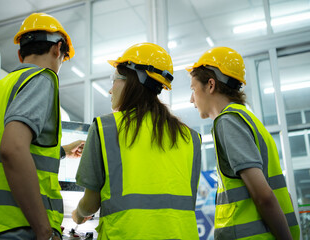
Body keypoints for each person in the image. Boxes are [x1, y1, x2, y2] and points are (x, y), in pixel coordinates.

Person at [0, 12, 84, 240]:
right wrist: (44, 229)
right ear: (58, 48)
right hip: (13, 227)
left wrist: (62, 152)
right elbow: (13, 149)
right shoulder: (42, 79)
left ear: (19, 53)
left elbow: (0, 148)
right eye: (64, 57)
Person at [71, 42, 202, 239]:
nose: (110, 89)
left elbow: (90, 203)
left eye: (114, 79)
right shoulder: (191, 138)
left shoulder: (105, 128)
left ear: (132, 81)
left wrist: (77, 216)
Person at [186, 46, 300, 239]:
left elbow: (263, 195)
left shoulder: (228, 122)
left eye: (193, 89)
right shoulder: (248, 118)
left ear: (211, 85)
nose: (191, 100)